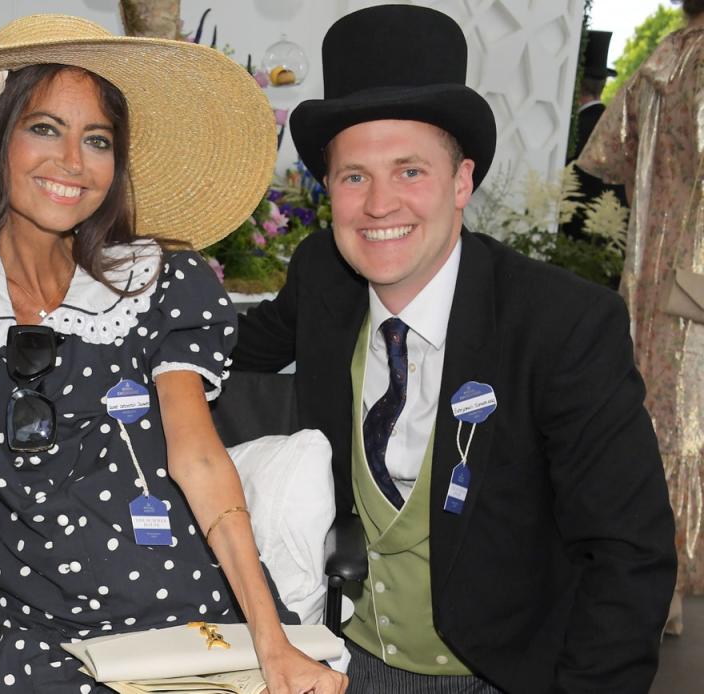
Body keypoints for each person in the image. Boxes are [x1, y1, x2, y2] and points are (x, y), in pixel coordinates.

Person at [0, 14, 347, 694]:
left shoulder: (159, 284)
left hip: (173, 603)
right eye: (44, 128)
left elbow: (200, 459)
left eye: (97, 140)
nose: (73, 162)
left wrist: (271, 645)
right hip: (12, 616)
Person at [233, 5, 676, 693]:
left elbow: (628, 555)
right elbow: (227, 351)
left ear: (462, 181)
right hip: (340, 659)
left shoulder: (561, 323)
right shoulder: (322, 275)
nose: (380, 205)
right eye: (354, 177)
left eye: (410, 171)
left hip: (498, 672)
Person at [578, 0, 704, 636]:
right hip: (698, 275)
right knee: (689, 417)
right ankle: (672, 575)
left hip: (655, 270)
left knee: (652, 410)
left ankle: (651, 579)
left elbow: (607, 160)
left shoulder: (661, 63)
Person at [561, 30, 628, 248]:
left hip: (570, 247)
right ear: (603, 85)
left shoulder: (573, 133)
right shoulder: (619, 130)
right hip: (605, 251)